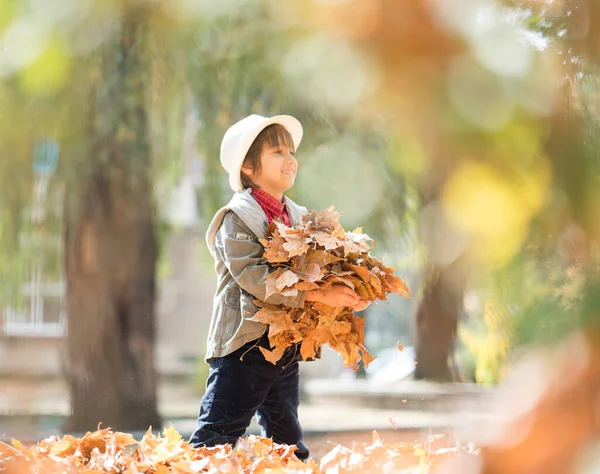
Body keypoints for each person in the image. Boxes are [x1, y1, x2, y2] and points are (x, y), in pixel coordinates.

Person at [189, 114, 369, 460]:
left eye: (290, 151)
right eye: (277, 152)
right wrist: (317, 293)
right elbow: (255, 277)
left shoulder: (299, 217)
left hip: (283, 343)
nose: (290, 159)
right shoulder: (237, 217)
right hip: (244, 345)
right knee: (216, 436)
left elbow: (323, 272)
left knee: (286, 440)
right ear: (248, 168)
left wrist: (345, 294)